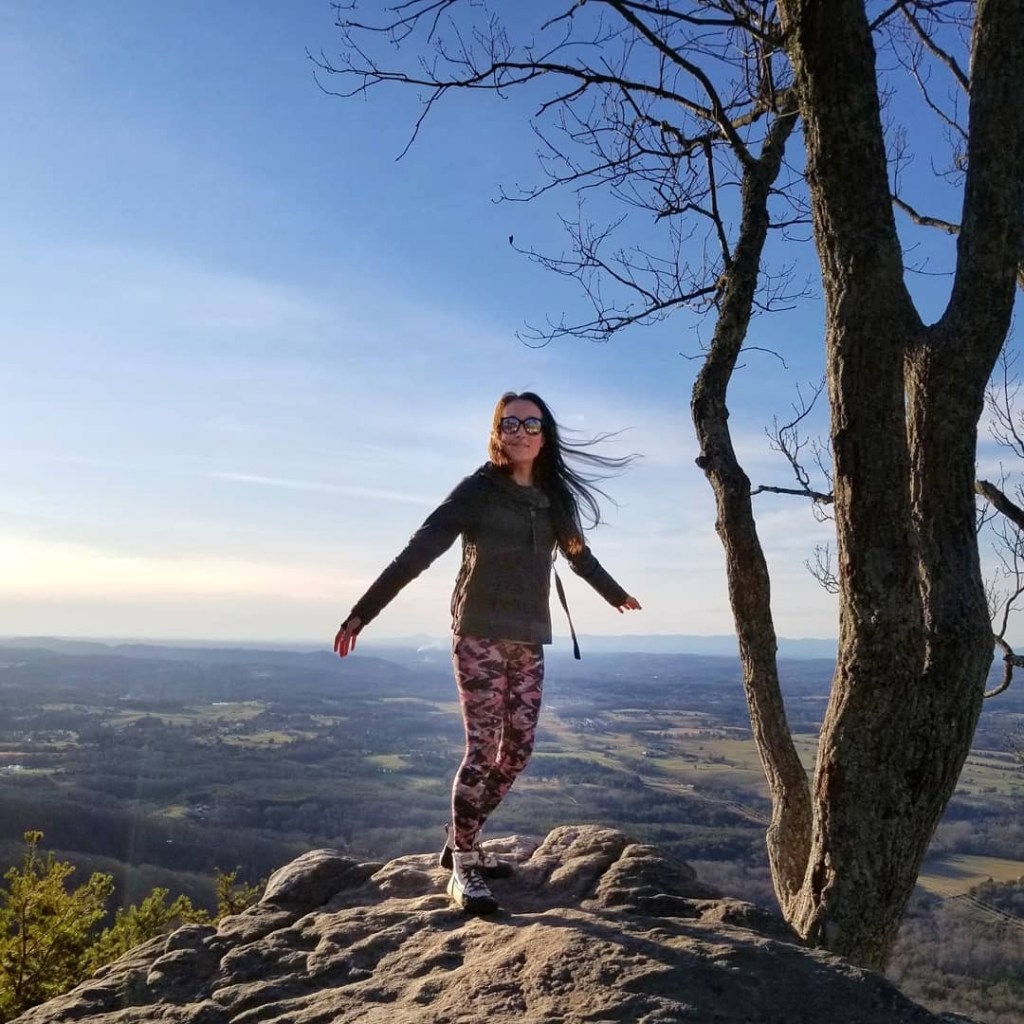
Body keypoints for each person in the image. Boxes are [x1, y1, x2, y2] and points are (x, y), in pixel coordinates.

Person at [333, 391, 641, 914]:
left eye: (531, 423)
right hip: (478, 633)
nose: (520, 431)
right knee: (481, 750)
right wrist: (363, 612)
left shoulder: (552, 498)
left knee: (517, 751)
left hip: (529, 637)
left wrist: (615, 594)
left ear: (545, 435)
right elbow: (418, 551)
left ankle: (461, 838)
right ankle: (464, 865)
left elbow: (578, 555)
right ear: (497, 432)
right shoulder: (478, 490)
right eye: (509, 423)